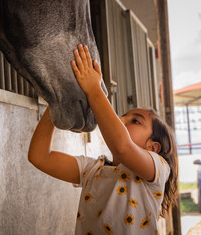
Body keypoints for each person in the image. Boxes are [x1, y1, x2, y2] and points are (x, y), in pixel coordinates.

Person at [28, 44, 178, 234]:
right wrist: (57, 103)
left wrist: (94, 90)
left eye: (135, 121)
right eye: (123, 115)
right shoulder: (91, 170)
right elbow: (40, 157)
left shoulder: (157, 169)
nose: (121, 119)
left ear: (153, 147)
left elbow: (122, 146)